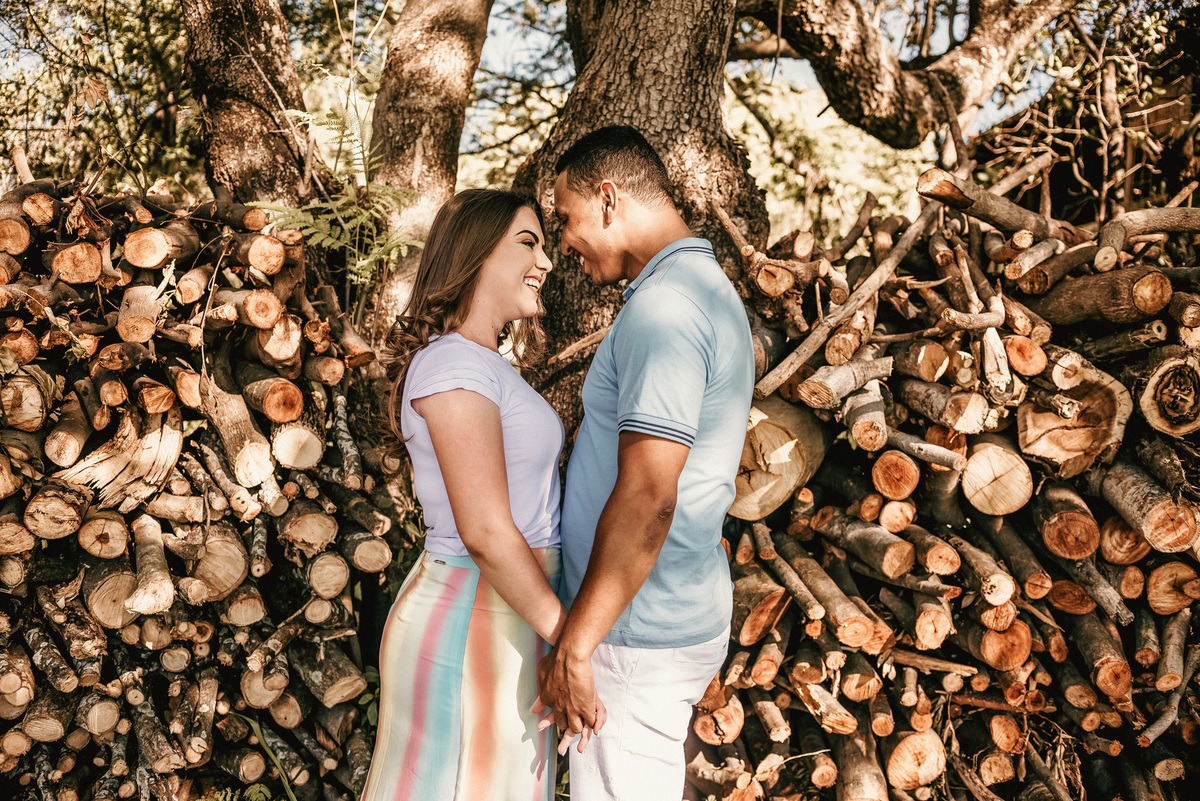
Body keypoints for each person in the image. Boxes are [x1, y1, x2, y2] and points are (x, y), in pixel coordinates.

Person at [535, 126, 755, 800]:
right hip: (651, 617)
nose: (562, 243)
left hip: (635, 630)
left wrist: (578, 644)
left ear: (609, 199)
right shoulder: (696, 290)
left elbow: (649, 495)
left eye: (566, 218)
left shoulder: (667, 310)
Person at [362, 188, 570, 801]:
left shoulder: (482, 364)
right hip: (472, 616)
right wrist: (572, 642)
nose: (546, 262)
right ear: (476, 254)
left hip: (511, 610)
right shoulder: (454, 366)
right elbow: (484, 531)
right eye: (528, 243)